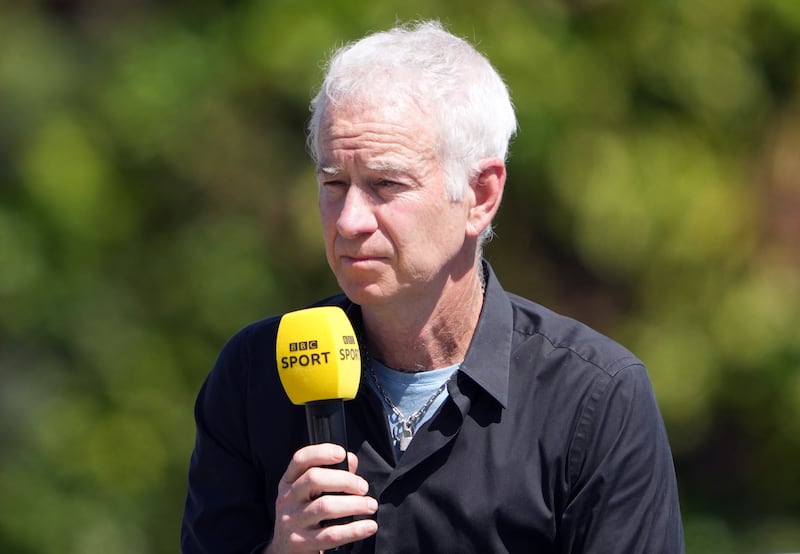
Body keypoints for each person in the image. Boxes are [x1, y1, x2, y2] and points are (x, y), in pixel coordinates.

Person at [181, 20, 684, 554]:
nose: (350, 220)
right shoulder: (252, 376)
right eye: (334, 183)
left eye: (386, 184)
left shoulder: (596, 399)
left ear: (480, 196)